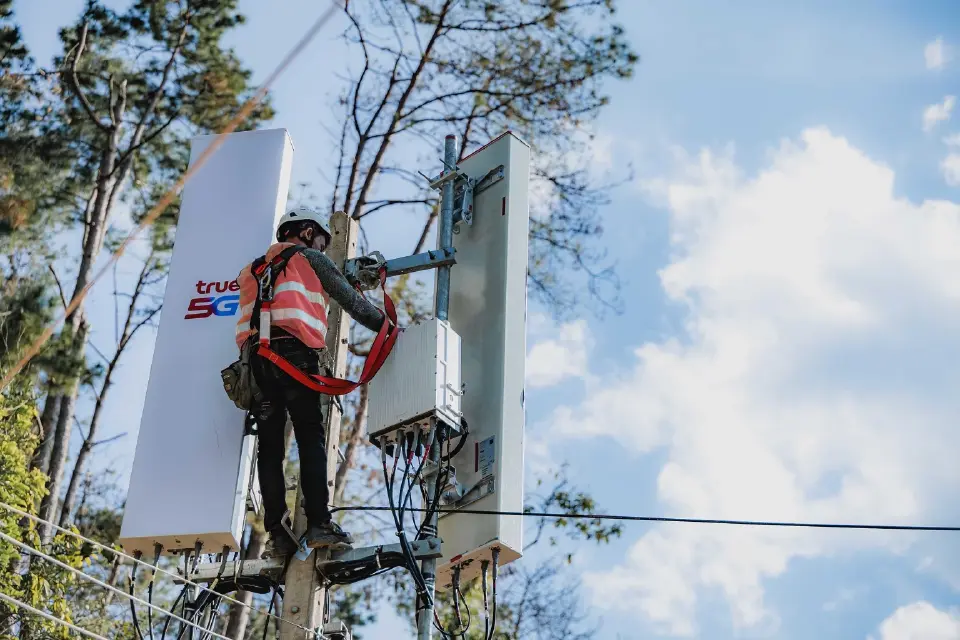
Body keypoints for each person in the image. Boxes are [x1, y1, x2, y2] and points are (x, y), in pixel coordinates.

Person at [234, 207, 386, 558]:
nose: (321, 247)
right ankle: (319, 523)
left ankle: (277, 535)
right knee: (309, 436)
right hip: (295, 356)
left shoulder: (250, 270)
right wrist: (389, 329)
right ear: (305, 232)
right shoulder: (309, 258)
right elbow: (353, 303)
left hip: (255, 366)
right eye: (320, 240)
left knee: (270, 449)